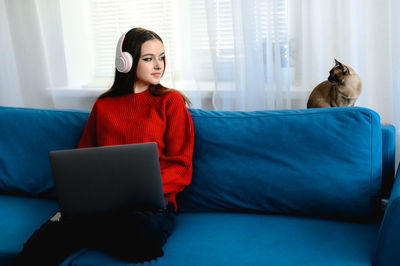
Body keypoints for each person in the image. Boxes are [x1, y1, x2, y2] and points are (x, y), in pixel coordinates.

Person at [15, 27, 194, 265]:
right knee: (36, 250)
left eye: (162, 57)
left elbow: (181, 166)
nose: (159, 65)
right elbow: (83, 159)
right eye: (149, 59)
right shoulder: (104, 105)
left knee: (142, 241)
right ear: (126, 62)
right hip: (103, 202)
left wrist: (136, 191)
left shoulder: (170, 102)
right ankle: (83, 225)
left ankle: (87, 229)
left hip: (150, 205)